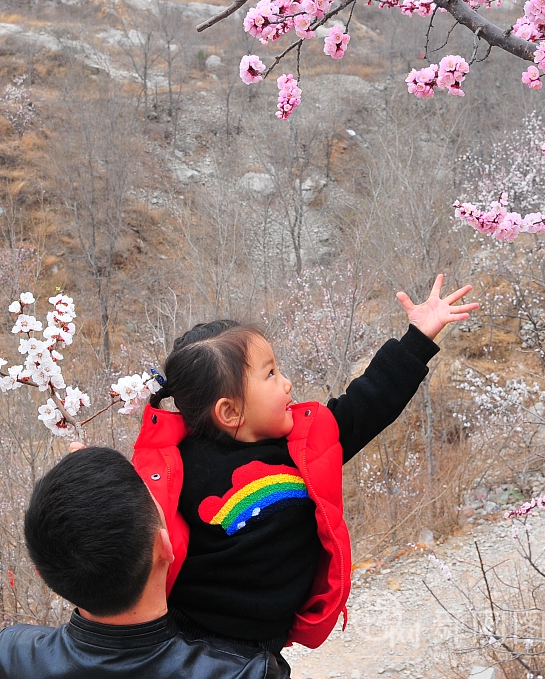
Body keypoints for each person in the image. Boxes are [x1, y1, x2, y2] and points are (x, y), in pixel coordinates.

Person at [132, 274, 478, 668]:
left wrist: (418, 337)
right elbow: (130, 547)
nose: (287, 383)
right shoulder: (178, 471)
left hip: (262, 651)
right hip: (188, 644)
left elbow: (369, 401)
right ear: (229, 411)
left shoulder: (303, 447)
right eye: (270, 375)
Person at [0, 445, 288, 679]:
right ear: (164, 548)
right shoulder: (246, 672)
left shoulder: (12, 654)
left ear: (42, 573)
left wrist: (87, 497)